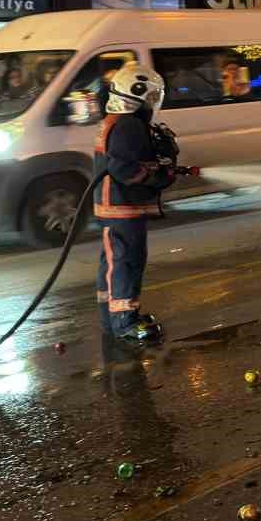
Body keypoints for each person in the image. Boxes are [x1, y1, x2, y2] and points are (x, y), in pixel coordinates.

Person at [94, 63, 178, 350]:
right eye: (151, 96)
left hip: (114, 205)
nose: (153, 102)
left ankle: (113, 317)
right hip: (122, 206)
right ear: (137, 92)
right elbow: (124, 168)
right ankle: (125, 323)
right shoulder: (129, 124)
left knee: (114, 262)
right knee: (127, 261)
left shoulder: (116, 119)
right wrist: (158, 176)